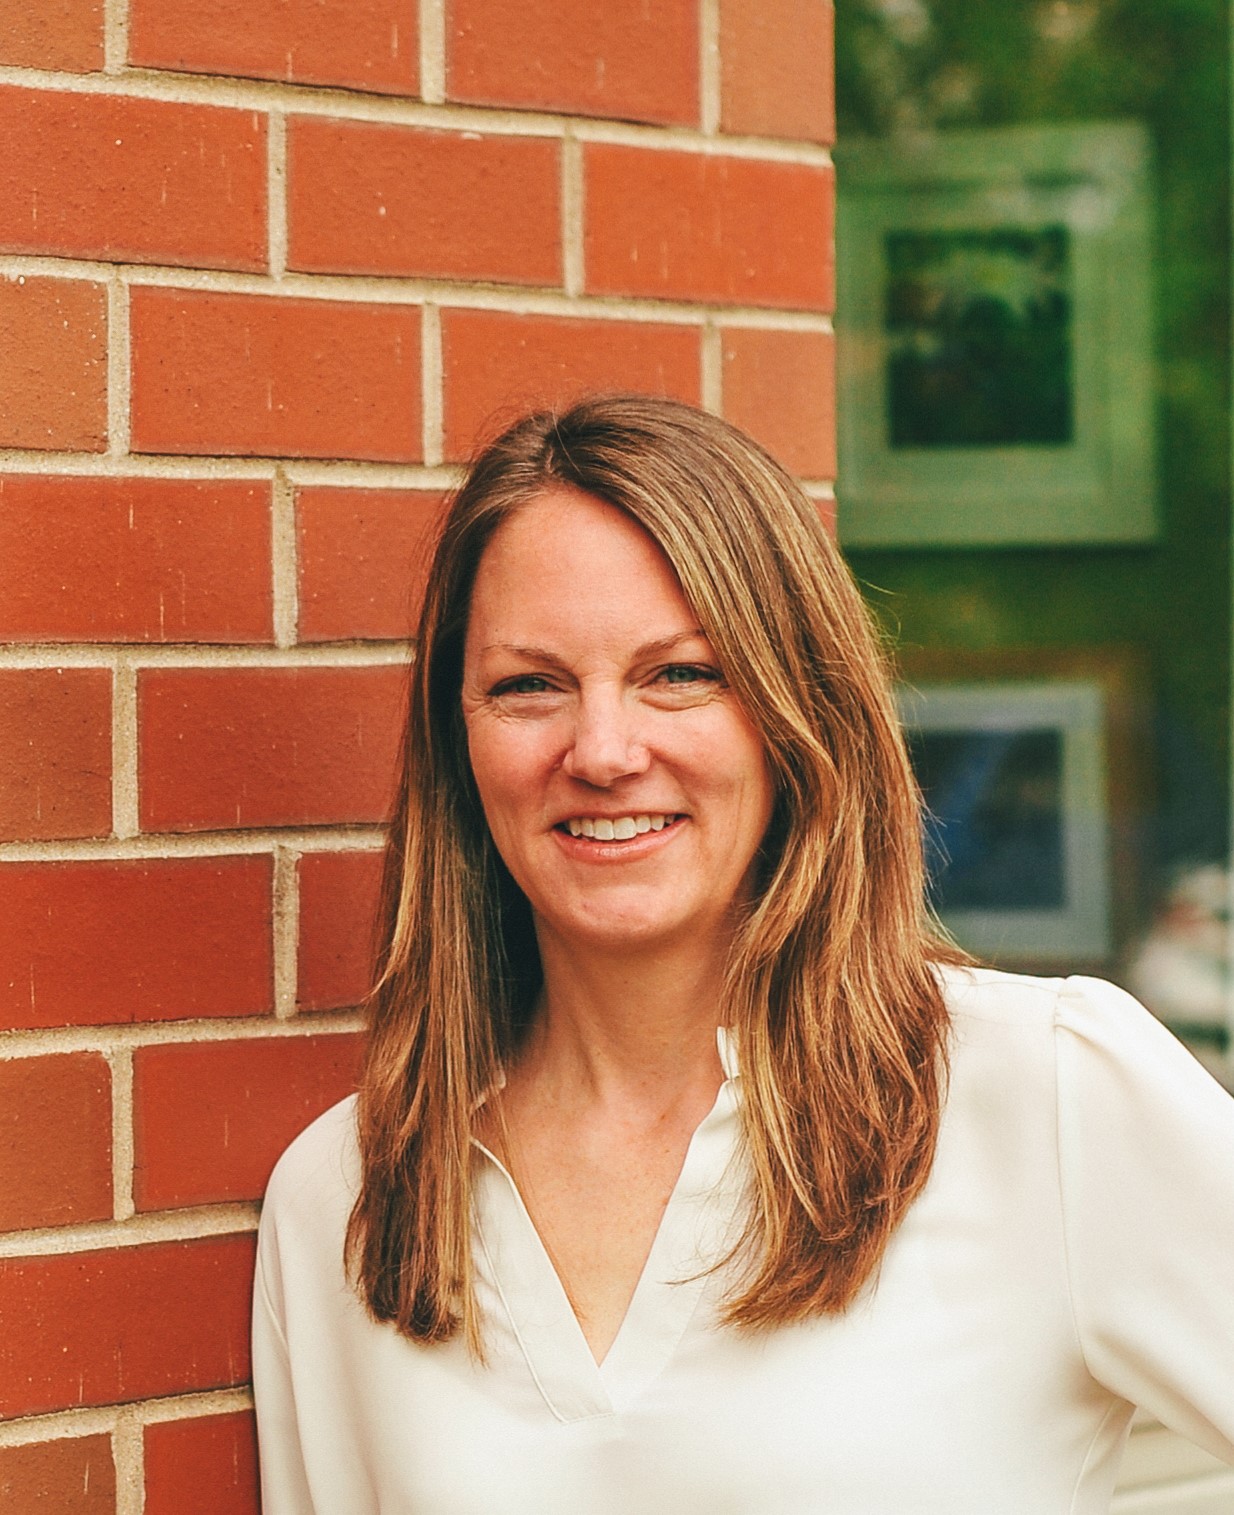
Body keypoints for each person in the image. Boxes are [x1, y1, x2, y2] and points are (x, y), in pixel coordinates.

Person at [253, 395, 1234, 1514]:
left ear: (794, 711)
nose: (604, 750)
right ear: (456, 735)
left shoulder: (1045, 1091)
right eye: (530, 685)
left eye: (681, 674)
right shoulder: (348, 1198)